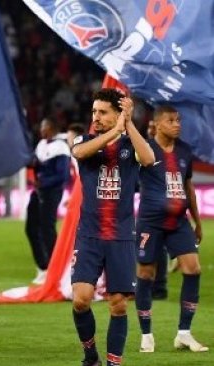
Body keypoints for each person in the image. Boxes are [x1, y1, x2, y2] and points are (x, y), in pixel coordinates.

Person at [70, 88, 155, 366]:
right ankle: (90, 354)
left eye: (103, 112)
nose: (96, 117)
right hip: (89, 235)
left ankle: (113, 362)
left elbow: (149, 159)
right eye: (94, 111)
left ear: (118, 114)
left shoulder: (131, 145)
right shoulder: (87, 141)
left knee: (118, 304)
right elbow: (78, 152)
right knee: (80, 300)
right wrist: (113, 131)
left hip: (120, 236)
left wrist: (128, 125)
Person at [135, 105, 208, 353]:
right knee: (146, 274)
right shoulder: (144, 149)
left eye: (178, 120)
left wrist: (197, 221)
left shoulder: (185, 151)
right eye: (171, 120)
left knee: (193, 269)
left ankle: (184, 333)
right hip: (150, 222)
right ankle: (146, 334)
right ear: (157, 123)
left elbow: (189, 188)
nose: (177, 124)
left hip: (179, 223)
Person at [25, 118, 71, 285]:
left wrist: (43, 182)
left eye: (44, 126)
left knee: (47, 228)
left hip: (51, 192)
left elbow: (63, 175)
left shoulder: (61, 148)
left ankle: (54, 268)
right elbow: (36, 165)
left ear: (52, 128)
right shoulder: (42, 144)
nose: (41, 130)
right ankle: (43, 267)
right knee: (31, 228)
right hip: (38, 191)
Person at [145, 119, 170, 300]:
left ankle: (159, 287)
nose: (151, 130)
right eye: (149, 127)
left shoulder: (166, 151)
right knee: (146, 246)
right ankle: (148, 285)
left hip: (162, 204)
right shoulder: (144, 148)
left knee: (159, 246)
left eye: (154, 127)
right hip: (147, 205)